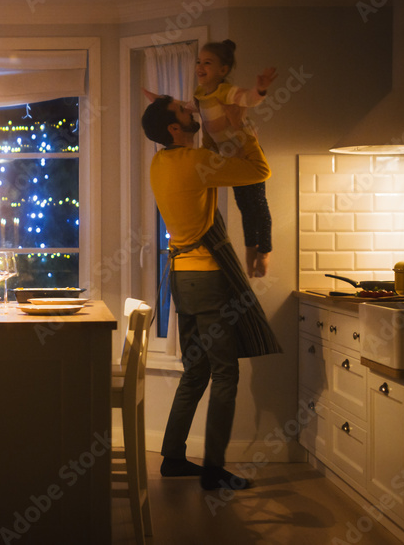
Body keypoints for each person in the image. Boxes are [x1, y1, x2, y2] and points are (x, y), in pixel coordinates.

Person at [141, 96, 281, 491]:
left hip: (182, 280)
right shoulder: (195, 163)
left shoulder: (162, 162)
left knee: (196, 370)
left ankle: (172, 456)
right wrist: (244, 128)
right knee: (225, 374)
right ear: (173, 128)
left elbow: (207, 149)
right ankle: (214, 469)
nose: (191, 111)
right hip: (207, 279)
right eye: (183, 111)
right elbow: (259, 169)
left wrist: (210, 113)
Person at [143, 39, 277, 278]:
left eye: (207, 62)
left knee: (256, 206)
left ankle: (263, 252)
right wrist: (239, 125)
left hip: (242, 149)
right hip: (226, 154)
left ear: (222, 71)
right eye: (199, 62)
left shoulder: (225, 92)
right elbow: (186, 106)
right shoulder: (197, 154)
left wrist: (260, 90)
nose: (200, 67)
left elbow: (247, 99)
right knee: (247, 206)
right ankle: (253, 254)